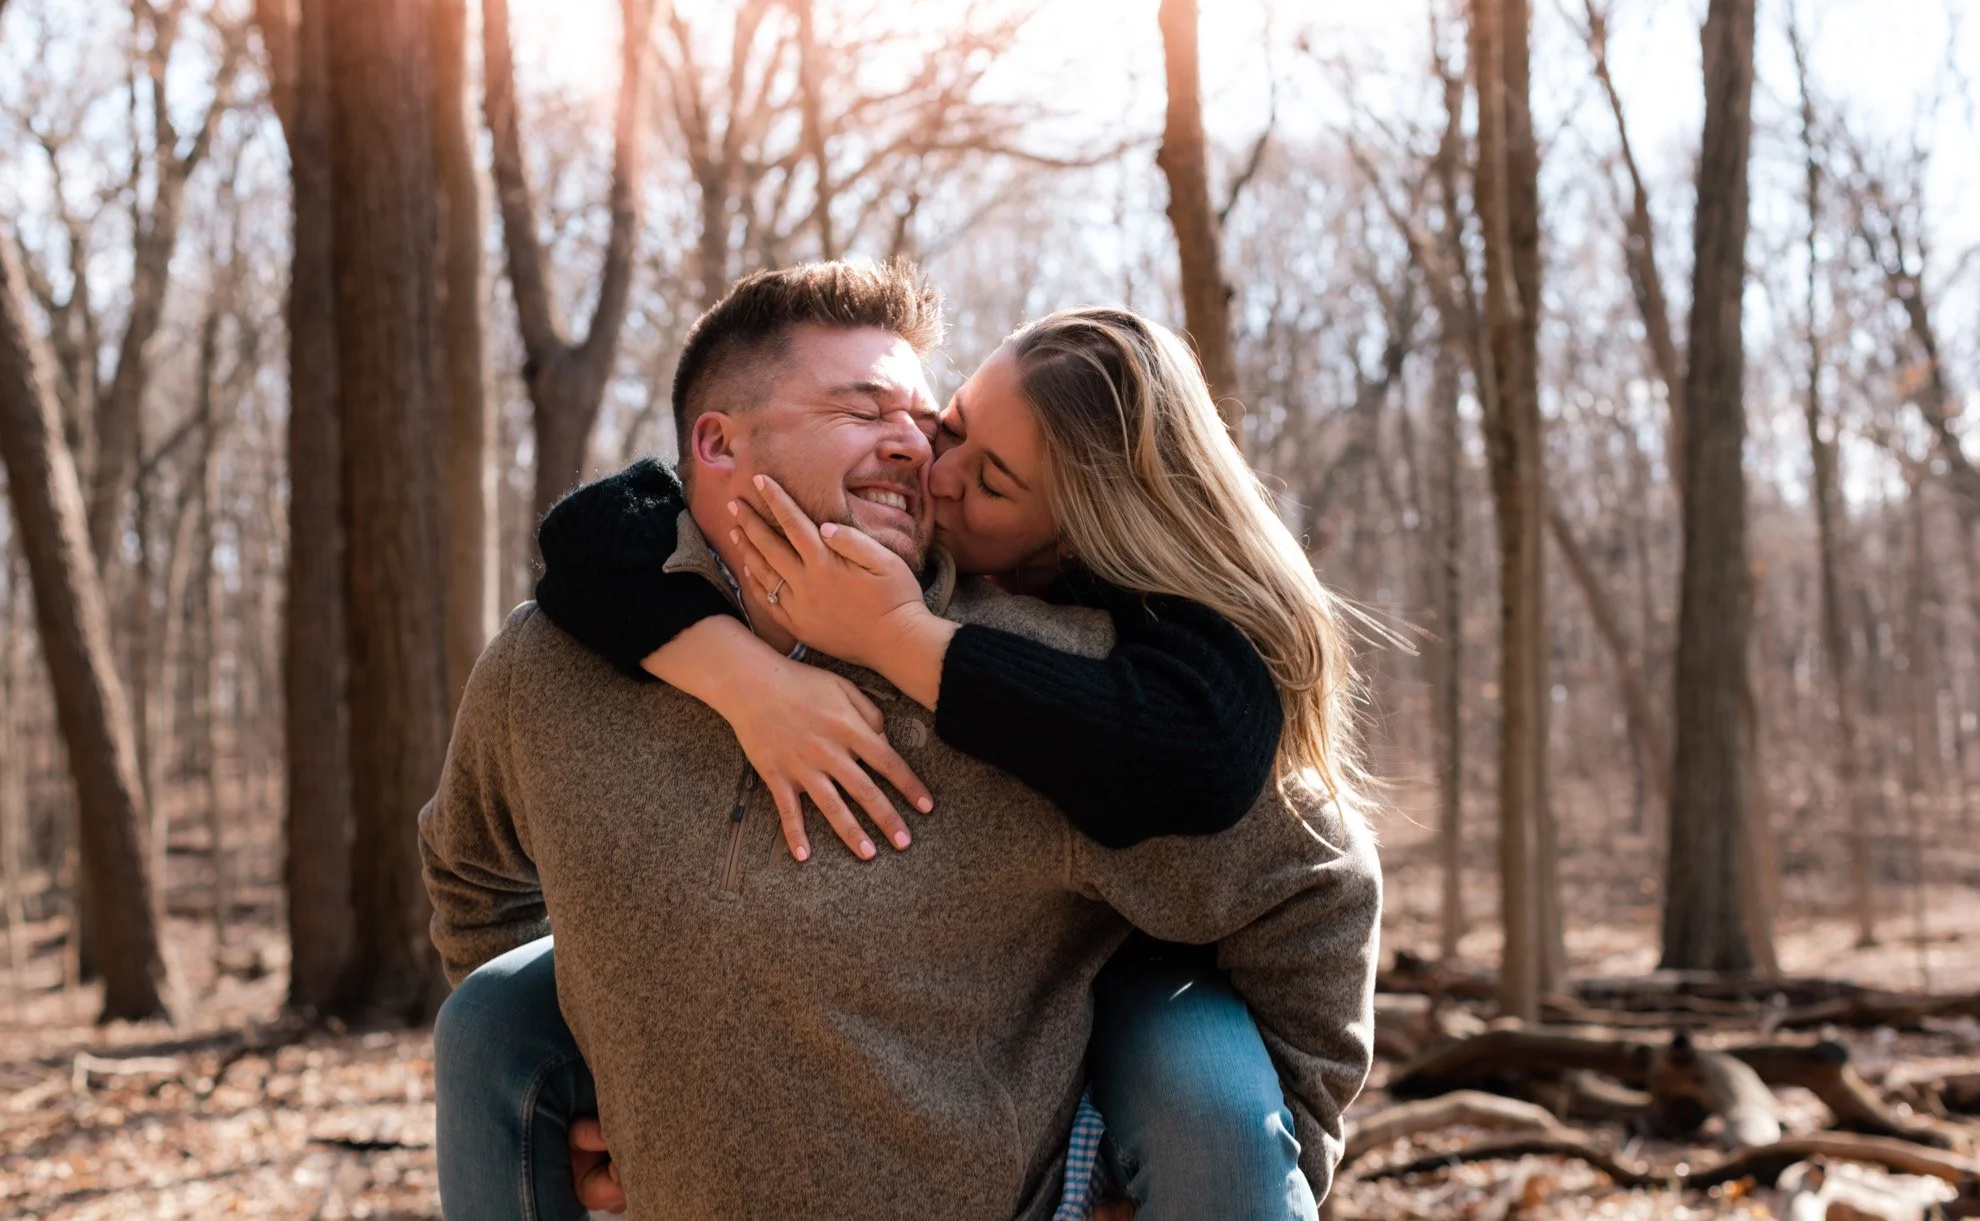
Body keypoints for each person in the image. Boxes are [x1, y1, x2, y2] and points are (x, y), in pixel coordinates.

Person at [421, 260, 1381, 1220]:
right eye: (867, 410)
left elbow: (1314, 879)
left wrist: (1269, 1153)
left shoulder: (1054, 689)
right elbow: (473, 878)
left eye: (926, 424)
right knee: (488, 1014)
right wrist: (585, 1092)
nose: (920, 454)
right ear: (716, 441)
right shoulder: (553, 661)